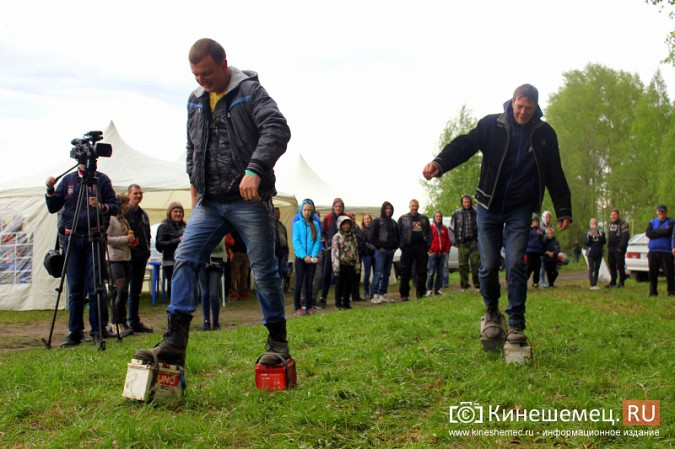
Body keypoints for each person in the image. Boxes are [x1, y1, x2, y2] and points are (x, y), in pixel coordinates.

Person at [135, 38, 292, 369]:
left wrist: (255, 169)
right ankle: (175, 341)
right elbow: (193, 146)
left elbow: (277, 129)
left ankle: (278, 343)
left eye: (206, 73)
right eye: (195, 75)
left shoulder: (250, 92)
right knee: (185, 258)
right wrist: (195, 185)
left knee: (264, 271)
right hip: (209, 200)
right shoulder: (194, 101)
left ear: (224, 64)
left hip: (248, 199)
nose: (201, 80)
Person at [422, 84, 572, 346]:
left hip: (520, 209)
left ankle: (516, 324)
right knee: (489, 264)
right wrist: (440, 163)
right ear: (512, 102)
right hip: (488, 206)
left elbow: (554, 172)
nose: (523, 112)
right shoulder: (492, 125)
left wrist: (563, 209)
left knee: (515, 262)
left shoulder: (544, 134)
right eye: (519, 106)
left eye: (529, 107)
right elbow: (464, 145)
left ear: (536, 107)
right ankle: (492, 312)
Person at [45, 162, 119, 346]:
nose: (85, 163)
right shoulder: (69, 180)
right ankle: (75, 331)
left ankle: (98, 329)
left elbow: (114, 206)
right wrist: (50, 190)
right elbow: (53, 206)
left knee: (96, 285)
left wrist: (101, 207)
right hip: (73, 239)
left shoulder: (101, 179)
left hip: (94, 236)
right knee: (75, 287)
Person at [125, 184, 153, 333]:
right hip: (128, 257)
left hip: (141, 257)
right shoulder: (124, 214)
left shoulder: (143, 214)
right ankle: (121, 322)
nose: (138, 196)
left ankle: (134, 321)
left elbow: (147, 234)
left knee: (136, 291)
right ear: (129, 195)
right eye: (135, 193)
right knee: (122, 290)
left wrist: (146, 249)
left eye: (140, 193)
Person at [106, 192, 135, 337]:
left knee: (124, 291)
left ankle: (123, 321)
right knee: (120, 289)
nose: (128, 206)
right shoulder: (111, 220)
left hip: (125, 257)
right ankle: (114, 321)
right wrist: (125, 239)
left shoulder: (124, 220)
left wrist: (131, 241)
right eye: (126, 203)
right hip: (113, 258)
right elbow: (107, 239)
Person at [397, 199, 431, 300]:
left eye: (416, 206)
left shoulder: (424, 218)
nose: (414, 208)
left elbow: (429, 232)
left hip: (421, 247)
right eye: (412, 206)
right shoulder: (403, 218)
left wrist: (428, 245)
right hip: (408, 248)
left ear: (418, 206)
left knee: (422, 271)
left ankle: (421, 293)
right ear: (409, 206)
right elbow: (398, 234)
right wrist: (402, 245)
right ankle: (404, 294)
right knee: (405, 271)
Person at [292, 199, 321, 316]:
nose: (307, 212)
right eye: (305, 210)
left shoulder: (316, 225)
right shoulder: (297, 225)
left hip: (312, 259)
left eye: (309, 210)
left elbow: (317, 241)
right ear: (301, 211)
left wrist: (313, 255)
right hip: (300, 259)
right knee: (299, 282)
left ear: (312, 211)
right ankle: (297, 307)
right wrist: (304, 256)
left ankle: (309, 306)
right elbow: (296, 241)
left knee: (310, 282)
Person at [155, 202, 186, 300]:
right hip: (170, 261)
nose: (178, 214)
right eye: (175, 211)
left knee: (182, 286)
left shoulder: (185, 226)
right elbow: (159, 245)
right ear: (170, 213)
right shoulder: (164, 226)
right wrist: (178, 240)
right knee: (174, 285)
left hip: (184, 260)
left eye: (180, 211)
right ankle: (174, 309)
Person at [369, 201, 398, 303]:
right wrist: (378, 246)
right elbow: (371, 236)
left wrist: (395, 247)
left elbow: (397, 236)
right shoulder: (377, 221)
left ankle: (382, 294)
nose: (388, 210)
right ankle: (374, 295)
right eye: (386, 208)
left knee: (387, 274)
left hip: (390, 251)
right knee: (378, 273)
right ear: (383, 209)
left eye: (390, 209)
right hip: (380, 251)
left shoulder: (394, 222)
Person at [319, 198, 347, 307]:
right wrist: (327, 242)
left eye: (340, 206)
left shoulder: (346, 217)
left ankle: (341, 296)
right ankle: (323, 297)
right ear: (333, 207)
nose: (338, 208)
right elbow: (322, 232)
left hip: (342, 251)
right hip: (330, 250)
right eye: (336, 206)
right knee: (326, 273)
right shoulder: (328, 217)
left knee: (341, 274)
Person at [450, 195, 480, 290]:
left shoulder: (476, 212)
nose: (466, 204)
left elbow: (481, 227)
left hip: (474, 241)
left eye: (468, 202)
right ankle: (464, 285)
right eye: (465, 202)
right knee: (462, 265)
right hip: (462, 243)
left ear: (470, 202)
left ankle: (477, 285)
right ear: (462, 203)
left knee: (476, 263)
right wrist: (454, 241)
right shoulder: (456, 213)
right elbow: (451, 229)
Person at [645, 204, 675, 297]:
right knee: (652, 273)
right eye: (659, 211)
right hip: (653, 250)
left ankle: (671, 291)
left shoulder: (671, 222)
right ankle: (653, 291)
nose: (660, 213)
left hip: (666, 251)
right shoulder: (652, 222)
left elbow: (668, 232)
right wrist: (661, 231)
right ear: (657, 212)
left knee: (669, 273)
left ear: (666, 212)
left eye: (662, 211)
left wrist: (656, 232)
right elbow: (648, 233)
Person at [332, 216, 359, 310]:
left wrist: (357, 264)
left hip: (350, 263)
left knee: (349, 284)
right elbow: (335, 252)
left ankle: (346, 303)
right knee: (339, 285)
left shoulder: (353, 236)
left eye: (348, 224)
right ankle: (338, 303)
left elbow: (356, 250)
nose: (346, 226)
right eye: (344, 224)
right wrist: (336, 267)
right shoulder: (336, 237)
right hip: (341, 264)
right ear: (340, 225)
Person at [199, 238, 227, 330]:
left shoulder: (219, 225)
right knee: (205, 293)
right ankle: (206, 321)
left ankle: (216, 322)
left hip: (217, 260)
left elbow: (219, 243)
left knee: (213, 293)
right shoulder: (197, 226)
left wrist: (202, 245)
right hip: (201, 261)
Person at [426, 210, 450, 296]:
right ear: (434, 217)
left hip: (442, 254)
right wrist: (429, 250)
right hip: (433, 253)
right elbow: (427, 240)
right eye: (437, 216)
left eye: (440, 216)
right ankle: (429, 289)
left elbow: (448, 240)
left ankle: (438, 289)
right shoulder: (430, 227)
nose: (438, 218)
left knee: (440, 272)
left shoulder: (444, 228)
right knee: (431, 272)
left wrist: (446, 251)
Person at [606, 209, 630, 288]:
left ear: (618, 215)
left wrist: (621, 247)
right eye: (612, 215)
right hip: (611, 248)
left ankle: (621, 281)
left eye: (614, 214)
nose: (613, 216)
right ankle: (613, 281)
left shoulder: (623, 224)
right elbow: (610, 236)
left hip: (619, 247)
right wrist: (608, 246)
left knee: (620, 265)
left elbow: (625, 236)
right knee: (611, 264)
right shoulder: (610, 224)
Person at [583, 217, 606, 290]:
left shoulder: (601, 232)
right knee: (591, 269)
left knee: (597, 269)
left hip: (599, 253)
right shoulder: (587, 233)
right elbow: (586, 242)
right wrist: (590, 236)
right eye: (593, 224)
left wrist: (598, 236)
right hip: (590, 253)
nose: (594, 225)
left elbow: (604, 242)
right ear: (590, 225)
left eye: (595, 224)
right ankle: (592, 284)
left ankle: (595, 283)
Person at [274, 207, 290, 292]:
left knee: (282, 270)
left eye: (278, 213)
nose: (277, 215)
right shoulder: (270, 225)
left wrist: (287, 251)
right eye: (276, 213)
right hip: (274, 251)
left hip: (282, 251)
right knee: (275, 270)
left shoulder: (281, 225)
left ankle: (279, 287)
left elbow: (285, 238)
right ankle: (275, 287)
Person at [525, 215, 545, 288]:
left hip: (538, 252)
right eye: (534, 222)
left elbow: (544, 240)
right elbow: (526, 237)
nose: (535, 223)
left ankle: (536, 282)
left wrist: (541, 234)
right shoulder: (528, 230)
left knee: (537, 268)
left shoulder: (541, 230)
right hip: (529, 251)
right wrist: (531, 227)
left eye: (537, 222)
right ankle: (524, 281)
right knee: (529, 267)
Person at [360, 214, 376, 299]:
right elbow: (364, 242)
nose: (367, 220)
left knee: (376, 273)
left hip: (375, 254)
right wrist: (373, 247)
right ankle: (366, 291)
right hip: (366, 254)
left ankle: (373, 292)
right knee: (367, 273)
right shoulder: (362, 231)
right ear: (363, 221)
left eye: (368, 218)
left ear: (371, 219)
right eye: (365, 219)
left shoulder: (375, 230)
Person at [538, 211, 553, 288]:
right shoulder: (540, 226)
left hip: (550, 248)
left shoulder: (551, 226)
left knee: (550, 266)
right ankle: (542, 281)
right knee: (542, 266)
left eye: (549, 217)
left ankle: (550, 282)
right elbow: (540, 238)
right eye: (547, 217)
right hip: (542, 248)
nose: (548, 219)